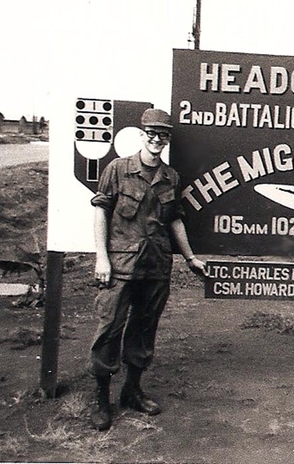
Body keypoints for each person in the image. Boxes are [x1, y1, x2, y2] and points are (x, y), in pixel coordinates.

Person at [88, 108, 208, 431]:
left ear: (167, 140)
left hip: (156, 266)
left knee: (144, 329)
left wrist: (190, 256)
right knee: (109, 328)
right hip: (120, 265)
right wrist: (102, 257)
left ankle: (132, 390)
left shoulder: (170, 177)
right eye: (151, 134)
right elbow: (101, 213)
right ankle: (102, 398)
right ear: (142, 135)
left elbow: (175, 219)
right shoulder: (118, 169)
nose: (156, 140)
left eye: (163, 135)